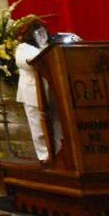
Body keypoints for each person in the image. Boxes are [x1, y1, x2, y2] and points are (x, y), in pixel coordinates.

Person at [16, 20, 63, 162]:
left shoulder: (50, 47)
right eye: (38, 32)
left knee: (56, 123)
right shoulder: (23, 47)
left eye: (44, 31)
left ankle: (60, 153)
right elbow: (24, 63)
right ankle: (44, 156)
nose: (42, 35)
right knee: (38, 126)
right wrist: (42, 56)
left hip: (52, 90)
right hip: (32, 90)